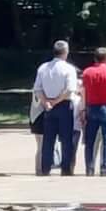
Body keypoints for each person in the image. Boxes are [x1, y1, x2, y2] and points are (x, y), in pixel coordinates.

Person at [29, 40, 79, 176]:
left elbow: (37, 89)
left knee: (48, 139)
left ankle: (45, 168)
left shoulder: (43, 67)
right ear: (66, 52)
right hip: (63, 105)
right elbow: (70, 90)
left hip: (48, 106)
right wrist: (56, 101)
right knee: (66, 139)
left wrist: (46, 102)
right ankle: (66, 169)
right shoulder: (69, 68)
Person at [77, 48, 106, 175]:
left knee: (90, 140)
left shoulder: (87, 72)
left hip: (91, 107)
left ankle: (89, 168)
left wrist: (83, 109)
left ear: (95, 58)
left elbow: (83, 92)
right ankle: (104, 168)